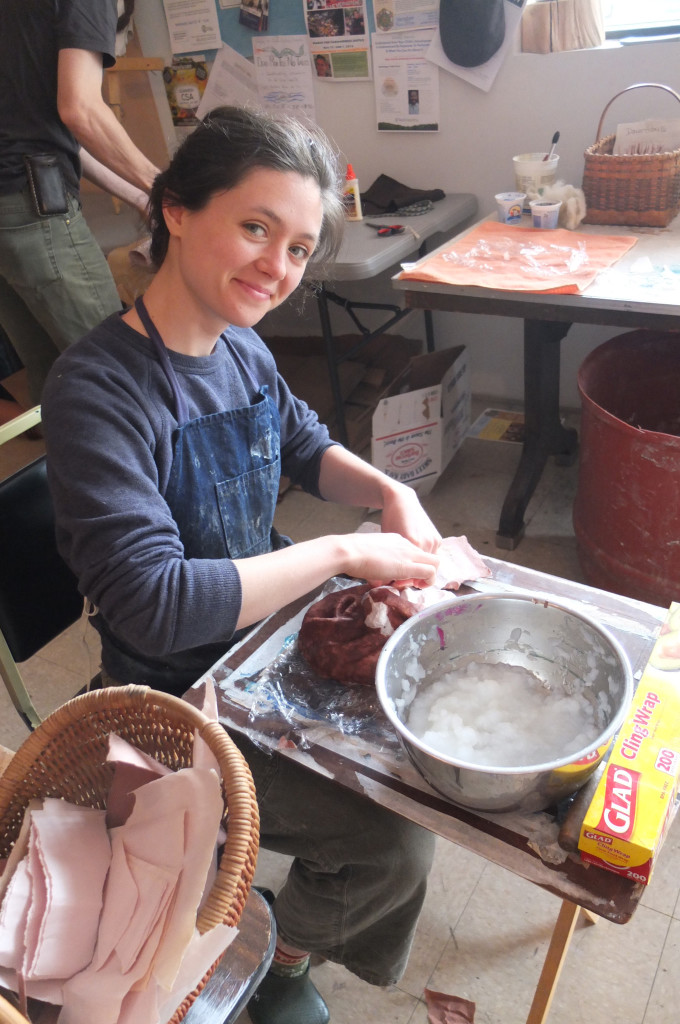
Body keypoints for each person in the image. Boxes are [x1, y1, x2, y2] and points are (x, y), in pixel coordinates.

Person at [42, 106, 441, 1024]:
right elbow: (153, 607)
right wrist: (341, 550)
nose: (277, 267)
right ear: (177, 210)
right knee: (393, 846)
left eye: (299, 248)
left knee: (426, 764)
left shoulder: (242, 347)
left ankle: (285, 934)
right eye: (256, 227)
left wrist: (389, 492)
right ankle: (283, 961)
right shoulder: (97, 390)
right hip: (173, 701)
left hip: (261, 653)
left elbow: (304, 446)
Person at [0, 0, 160, 403]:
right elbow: (81, 110)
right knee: (120, 373)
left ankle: (69, 464)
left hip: (11, 204)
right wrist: (167, 188)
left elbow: (63, 137)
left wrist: (144, 196)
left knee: (53, 374)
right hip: (31, 204)